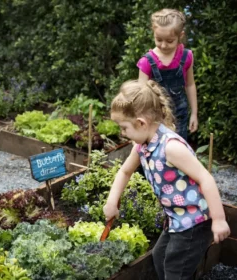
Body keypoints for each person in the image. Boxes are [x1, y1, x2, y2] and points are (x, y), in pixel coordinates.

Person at [103, 80, 230, 280]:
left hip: (194, 222)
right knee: (160, 255)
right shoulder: (143, 145)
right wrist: (112, 201)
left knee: (175, 269)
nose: (122, 134)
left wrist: (220, 220)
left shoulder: (171, 147)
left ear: (141, 123)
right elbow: (125, 172)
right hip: (176, 218)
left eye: (124, 128)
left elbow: (206, 178)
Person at [137, 8, 197, 141]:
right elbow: (141, 94)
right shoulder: (147, 62)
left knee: (177, 148)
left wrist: (194, 113)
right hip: (156, 117)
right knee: (157, 153)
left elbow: (190, 85)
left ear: (180, 36)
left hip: (179, 116)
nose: (163, 45)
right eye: (158, 39)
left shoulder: (187, 57)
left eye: (169, 41)